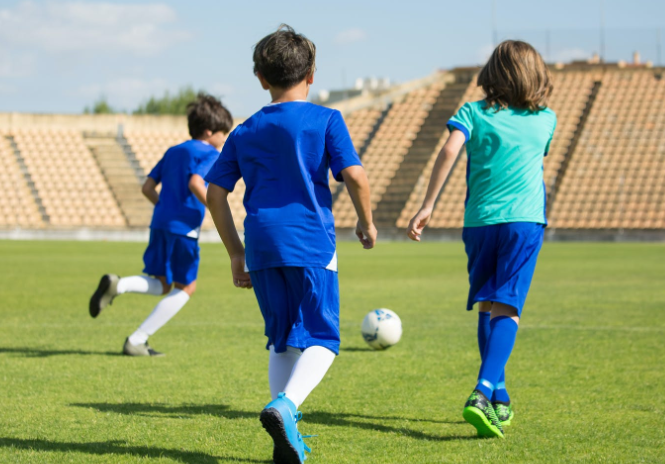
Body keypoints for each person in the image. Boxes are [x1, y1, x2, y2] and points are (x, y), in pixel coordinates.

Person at [205, 25, 376, 464]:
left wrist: (235, 252)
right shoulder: (325, 120)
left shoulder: (244, 130)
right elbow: (354, 175)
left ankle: (287, 439)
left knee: (282, 340)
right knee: (322, 337)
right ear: (312, 74)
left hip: (261, 244)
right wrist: (366, 222)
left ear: (261, 77)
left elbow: (215, 193)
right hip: (310, 242)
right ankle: (285, 407)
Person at [407, 40, 556, 439]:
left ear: (492, 75)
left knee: (488, 305)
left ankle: (500, 396)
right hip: (523, 222)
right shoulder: (546, 119)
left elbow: (449, 151)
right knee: (508, 306)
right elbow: (536, 154)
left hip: (478, 224)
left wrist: (428, 204)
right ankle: (483, 390)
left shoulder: (471, 112)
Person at [89, 93, 233, 356]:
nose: (224, 140)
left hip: (160, 223)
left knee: (162, 283)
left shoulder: (173, 151)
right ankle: (137, 340)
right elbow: (195, 183)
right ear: (210, 131)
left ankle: (117, 285)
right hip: (184, 228)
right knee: (186, 287)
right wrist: (215, 207)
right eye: (224, 134)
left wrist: (164, 207)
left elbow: (147, 187)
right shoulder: (211, 153)